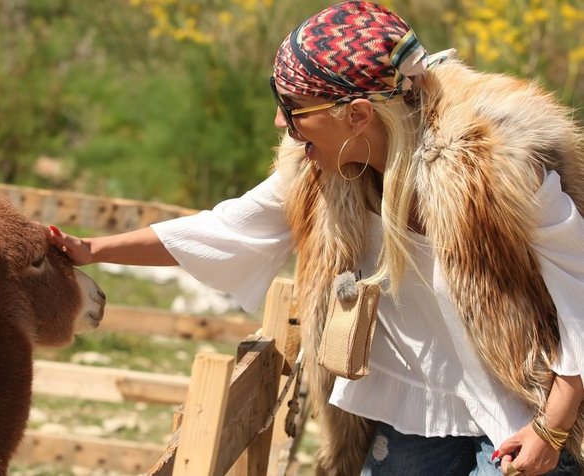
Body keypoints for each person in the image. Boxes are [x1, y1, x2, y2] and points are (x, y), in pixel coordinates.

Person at [49, 2, 584, 474]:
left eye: (295, 110)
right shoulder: (320, 170)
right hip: (415, 413)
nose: (282, 125)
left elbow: (579, 290)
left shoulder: (495, 170)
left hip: (523, 413)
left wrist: (552, 429)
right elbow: (223, 230)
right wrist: (92, 250)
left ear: (357, 115)